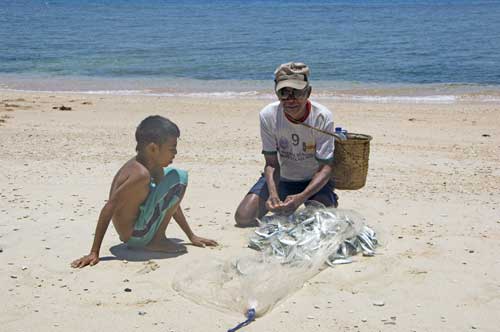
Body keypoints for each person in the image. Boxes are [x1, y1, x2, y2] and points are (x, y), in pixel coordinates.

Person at [71, 115, 217, 268]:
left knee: (171, 177)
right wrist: (94, 252)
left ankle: (156, 238)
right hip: (136, 236)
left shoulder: (151, 166)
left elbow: (170, 202)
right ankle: (156, 240)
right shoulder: (140, 175)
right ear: (153, 148)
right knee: (179, 177)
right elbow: (109, 207)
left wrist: (191, 235)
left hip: (135, 232)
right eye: (172, 148)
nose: (175, 153)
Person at [234, 62, 338, 227]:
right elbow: (271, 163)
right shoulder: (268, 115)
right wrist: (273, 195)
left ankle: (326, 197)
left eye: (296, 92)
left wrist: (301, 197)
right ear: (276, 93)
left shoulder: (322, 116)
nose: (290, 99)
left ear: (308, 92)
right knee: (243, 218)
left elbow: (326, 168)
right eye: (284, 92)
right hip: (282, 179)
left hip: (313, 180)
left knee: (318, 220)